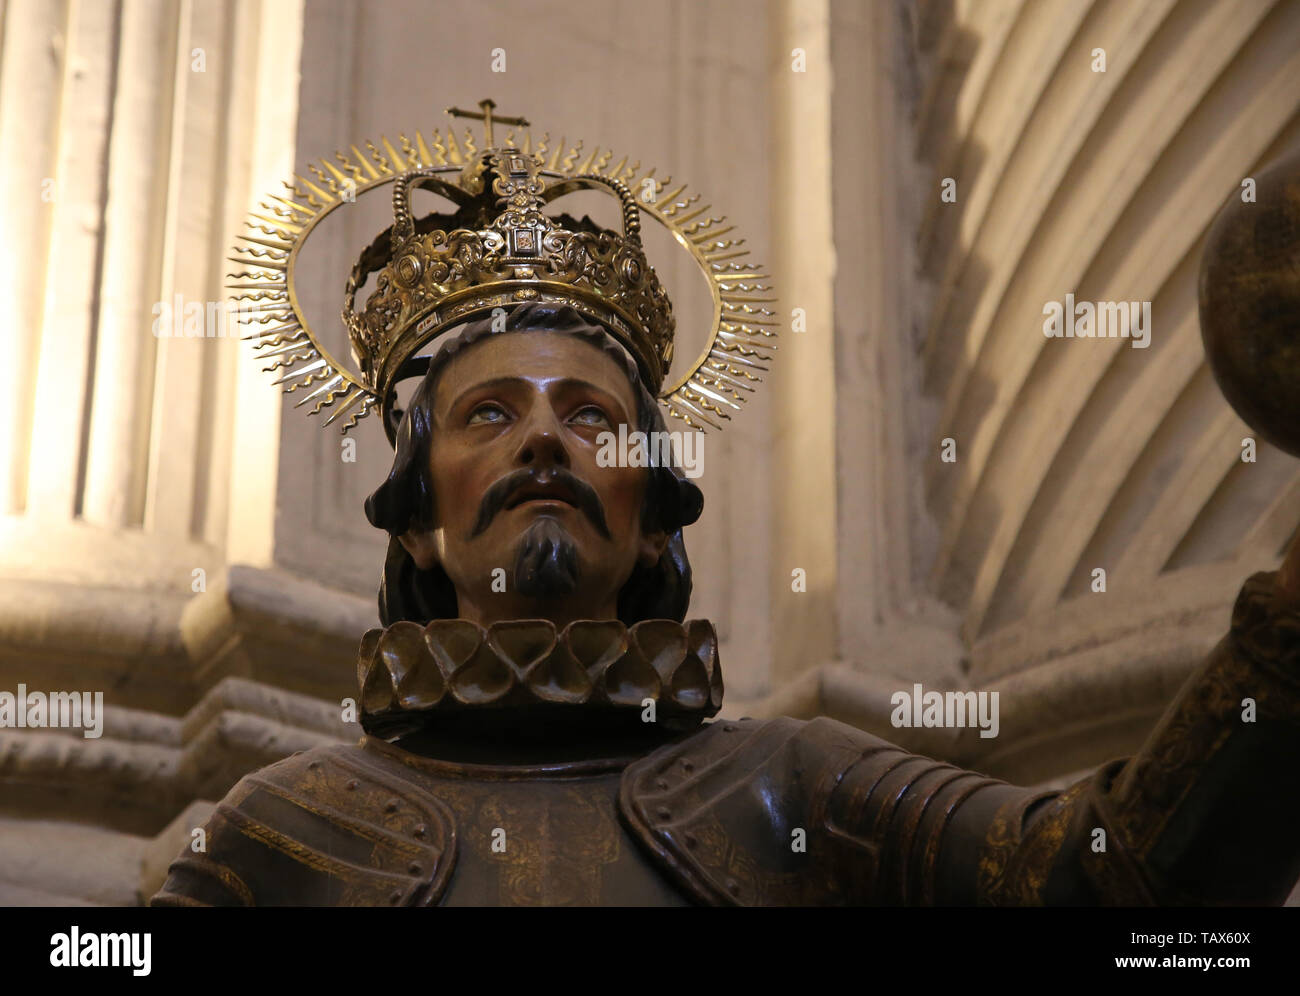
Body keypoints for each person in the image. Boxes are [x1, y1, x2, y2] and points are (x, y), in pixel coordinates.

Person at [152, 110, 1300, 906]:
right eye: (491, 415)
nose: (547, 436)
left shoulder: (786, 786)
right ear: (415, 522)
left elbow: (1112, 884)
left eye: (594, 419)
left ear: (654, 517)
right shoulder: (286, 829)